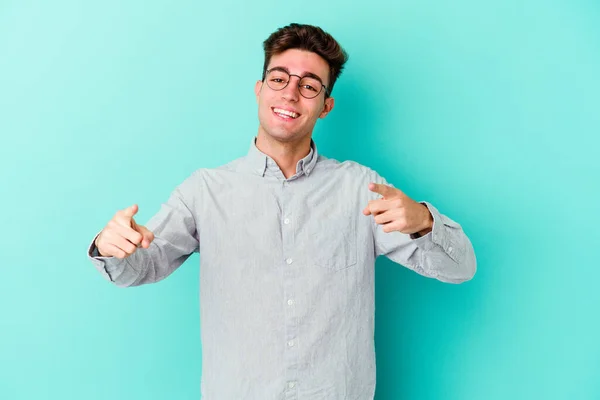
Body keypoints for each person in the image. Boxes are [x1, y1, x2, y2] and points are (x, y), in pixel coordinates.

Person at [88, 23, 476, 400]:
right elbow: (139, 268)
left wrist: (424, 222)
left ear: (326, 106)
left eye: (309, 85)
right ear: (259, 90)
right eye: (279, 79)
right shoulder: (204, 191)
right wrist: (110, 246)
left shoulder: (362, 188)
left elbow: (460, 269)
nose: (291, 93)